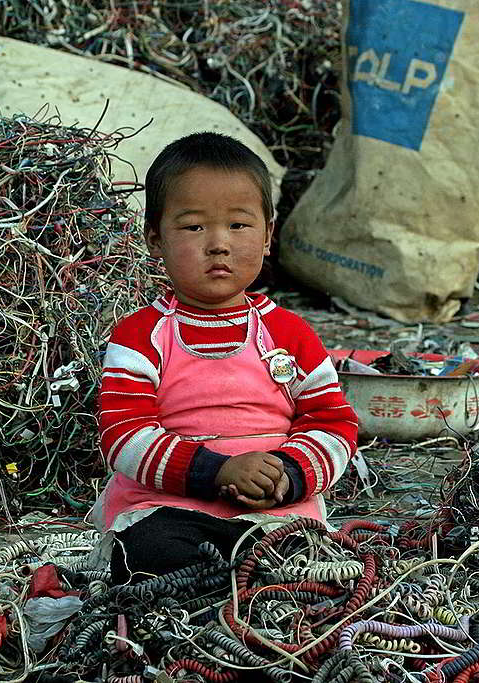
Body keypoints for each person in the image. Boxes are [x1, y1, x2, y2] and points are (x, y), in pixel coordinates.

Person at [94, 132, 359, 583]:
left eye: (238, 226)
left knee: (302, 566)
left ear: (268, 235)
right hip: (168, 507)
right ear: (155, 239)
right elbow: (124, 434)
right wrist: (216, 472)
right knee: (146, 554)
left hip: (276, 513)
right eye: (194, 227)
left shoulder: (289, 333)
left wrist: (288, 475)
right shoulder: (140, 335)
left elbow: (334, 424)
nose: (218, 244)